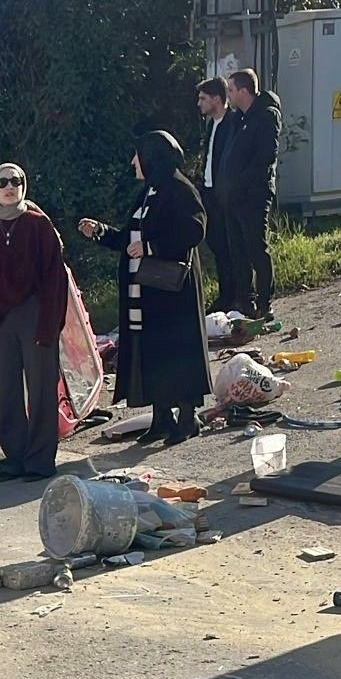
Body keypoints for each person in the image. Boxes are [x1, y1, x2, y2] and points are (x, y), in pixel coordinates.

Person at [79, 131, 212, 446]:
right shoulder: (148, 191)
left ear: (152, 156)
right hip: (145, 290)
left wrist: (152, 247)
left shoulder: (180, 188)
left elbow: (195, 229)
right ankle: (162, 418)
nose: (132, 162)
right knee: (153, 351)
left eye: (137, 154)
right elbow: (130, 239)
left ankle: (187, 418)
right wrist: (101, 233)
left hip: (171, 291)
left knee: (177, 350)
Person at [0, 163, 69, 480]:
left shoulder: (39, 226)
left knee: (41, 390)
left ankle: (40, 461)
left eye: (16, 180)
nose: (10, 186)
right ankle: (15, 458)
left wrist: (49, 326)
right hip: (3, 323)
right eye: (2, 182)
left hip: (36, 316)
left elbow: (54, 282)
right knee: (6, 391)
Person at [222, 68, 281, 320]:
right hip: (232, 198)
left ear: (244, 91)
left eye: (232, 90)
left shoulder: (266, 117)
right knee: (237, 251)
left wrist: (239, 183)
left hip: (254, 196)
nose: (229, 95)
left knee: (256, 248)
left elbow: (264, 159)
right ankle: (243, 301)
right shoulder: (238, 119)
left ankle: (265, 301)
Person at [195, 77, 241, 313]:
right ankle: (225, 295)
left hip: (226, 194)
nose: (199, 103)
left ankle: (236, 295)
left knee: (230, 246)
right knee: (217, 245)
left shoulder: (232, 123)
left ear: (216, 99)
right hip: (209, 192)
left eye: (203, 98)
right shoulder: (210, 124)